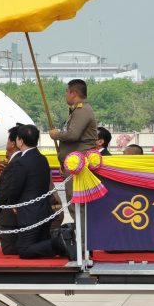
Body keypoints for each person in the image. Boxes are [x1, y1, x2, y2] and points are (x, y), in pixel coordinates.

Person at [1, 124, 76, 260]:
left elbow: (16, 187)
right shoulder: (42, 158)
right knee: (39, 244)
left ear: (20, 141)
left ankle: (60, 241)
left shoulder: (21, 162)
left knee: (24, 250)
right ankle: (63, 244)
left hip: (29, 212)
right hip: (44, 209)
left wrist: (12, 203)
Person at [49, 79, 97, 217]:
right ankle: (80, 236)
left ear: (73, 93)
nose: (65, 95)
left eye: (66, 92)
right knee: (73, 204)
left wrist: (56, 134)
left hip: (79, 166)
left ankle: (82, 237)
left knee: (77, 206)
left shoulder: (82, 110)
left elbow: (73, 134)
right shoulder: (77, 110)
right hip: (73, 164)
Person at [0, 124, 23, 255]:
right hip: (25, 216)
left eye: (7, 140)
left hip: (11, 218)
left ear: (12, 143)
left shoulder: (15, 163)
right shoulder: (27, 159)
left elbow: (5, 192)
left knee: (11, 250)